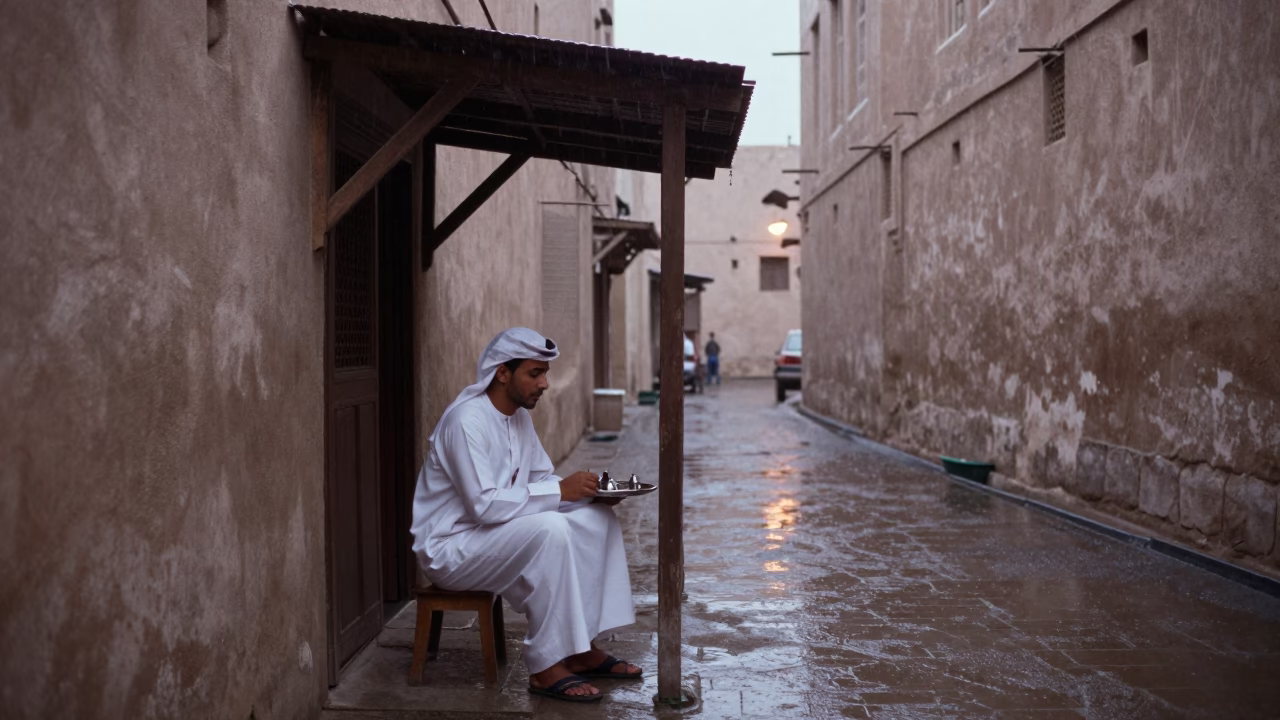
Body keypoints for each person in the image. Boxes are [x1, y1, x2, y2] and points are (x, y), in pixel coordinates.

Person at [410, 327, 642, 703]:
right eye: (535, 373)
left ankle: (581, 648)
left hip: (493, 535)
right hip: (451, 547)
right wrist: (559, 492)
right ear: (503, 372)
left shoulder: (517, 418)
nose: (544, 384)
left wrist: (587, 497)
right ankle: (545, 665)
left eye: (545, 373)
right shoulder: (465, 422)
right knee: (549, 530)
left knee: (596, 521)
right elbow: (483, 505)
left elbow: (541, 481)